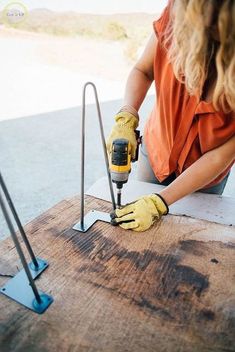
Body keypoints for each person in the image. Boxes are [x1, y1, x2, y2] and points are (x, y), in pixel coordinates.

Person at [106, 0, 235, 232]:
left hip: (204, 177)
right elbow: (143, 70)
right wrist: (127, 115)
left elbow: (220, 156)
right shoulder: (177, 14)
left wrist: (160, 203)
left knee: (186, 236)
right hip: (155, 153)